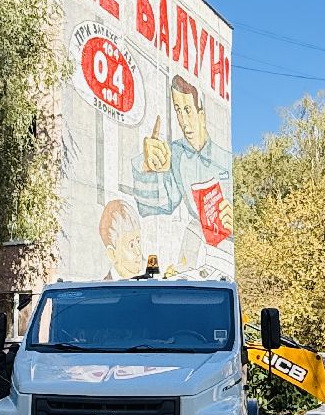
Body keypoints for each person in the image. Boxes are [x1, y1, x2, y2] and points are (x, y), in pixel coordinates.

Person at [131, 75, 233, 242]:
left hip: (228, 248)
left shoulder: (225, 159)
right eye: (178, 110)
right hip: (197, 245)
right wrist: (147, 168)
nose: (184, 121)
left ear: (201, 115)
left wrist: (235, 224)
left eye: (187, 110)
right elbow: (159, 205)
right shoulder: (175, 153)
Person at [98, 198, 146, 279]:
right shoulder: (105, 286)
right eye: (131, 245)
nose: (138, 252)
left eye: (138, 242)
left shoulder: (146, 281)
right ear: (112, 254)